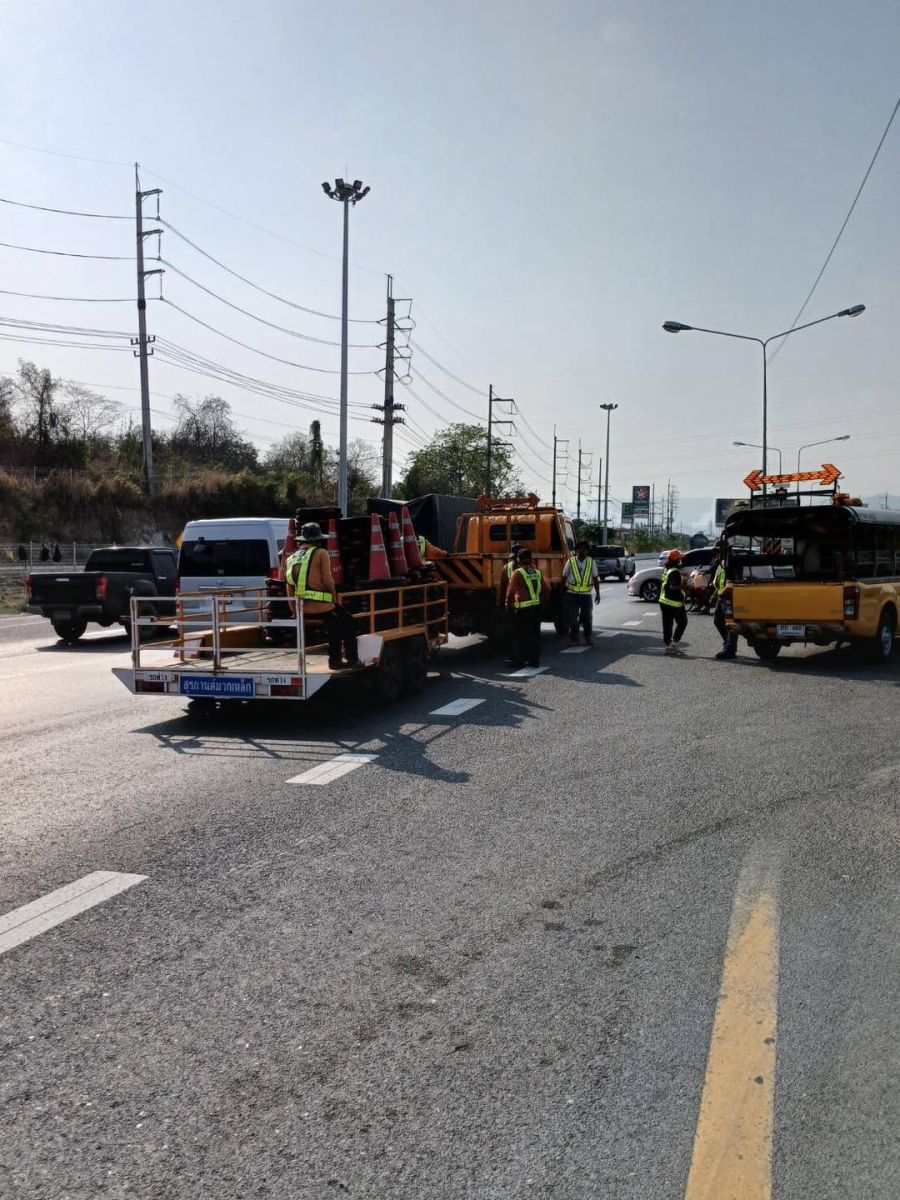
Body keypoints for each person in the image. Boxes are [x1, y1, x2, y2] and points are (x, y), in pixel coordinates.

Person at [284, 521, 360, 670]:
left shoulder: (291, 558)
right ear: (317, 540)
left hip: (301, 609)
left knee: (336, 621)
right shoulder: (321, 553)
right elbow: (328, 580)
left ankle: (337, 660)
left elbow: (289, 587)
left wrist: (294, 611)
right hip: (321, 608)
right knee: (347, 621)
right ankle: (348, 660)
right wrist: (334, 600)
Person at [505, 548, 549, 668]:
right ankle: (534, 660)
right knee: (535, 635)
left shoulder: (518, 573)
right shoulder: (537, 572)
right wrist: (540, 601)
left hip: (523, 610)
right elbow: (547, 590)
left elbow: (511, 592)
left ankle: (520, 660)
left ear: (519, 559)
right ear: (531, 559)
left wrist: (508, 606)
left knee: (520, 636)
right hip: (536, 608)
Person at [562, 541, 601, 645]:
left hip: (586, 595)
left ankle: (588, 637)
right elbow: (564, 577)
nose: (582, 551)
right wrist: (563, 593)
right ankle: (574, 639)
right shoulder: (570, 561)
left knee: (587, 617)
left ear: (587, 551)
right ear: (576, 551)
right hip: (572, 594)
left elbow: (595, 578)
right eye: (579, 549)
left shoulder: (591, 562)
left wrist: (598, 593)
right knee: (572, 617)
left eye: (584, 549)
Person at [659, 549, 688, 656]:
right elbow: (673, 586)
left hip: (664, 601)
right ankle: (674, 643)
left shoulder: (667, 569)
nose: (681, 560)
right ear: (677, 560)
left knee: (667, 624)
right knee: (683, 622)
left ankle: (668, 646)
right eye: (680, 559)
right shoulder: (675, 571)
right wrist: (684, 585)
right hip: (674, 603)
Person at [712, 549, 738, 660]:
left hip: (730, 597)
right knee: (718, 621)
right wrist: (714, 595)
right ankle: (728, 643)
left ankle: (730, 649)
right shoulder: (721, 564)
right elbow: (719, 581)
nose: (717, 554)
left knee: (730, 623)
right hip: (721, 597)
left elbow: (734, 579)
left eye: (718, 552)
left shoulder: (732, 563)